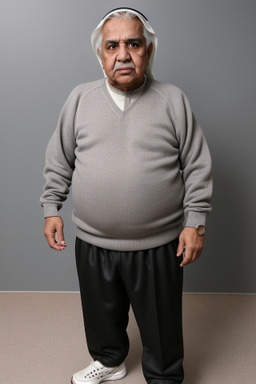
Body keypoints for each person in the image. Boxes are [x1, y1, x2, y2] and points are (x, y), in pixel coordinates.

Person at [40, 7, 212, 384]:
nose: (122, 54)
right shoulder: (80, 99)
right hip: (93, 240)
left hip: (159, 244)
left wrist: (195, 224)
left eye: (133, 44)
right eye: (112, 45)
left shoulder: (172, 100)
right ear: (100, 55)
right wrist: (51, 207)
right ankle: (109, 359)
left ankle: (165, 375)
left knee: (162, 320)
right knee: (101, 314)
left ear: (147, 51)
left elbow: (197, 165)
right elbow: (59, 157)